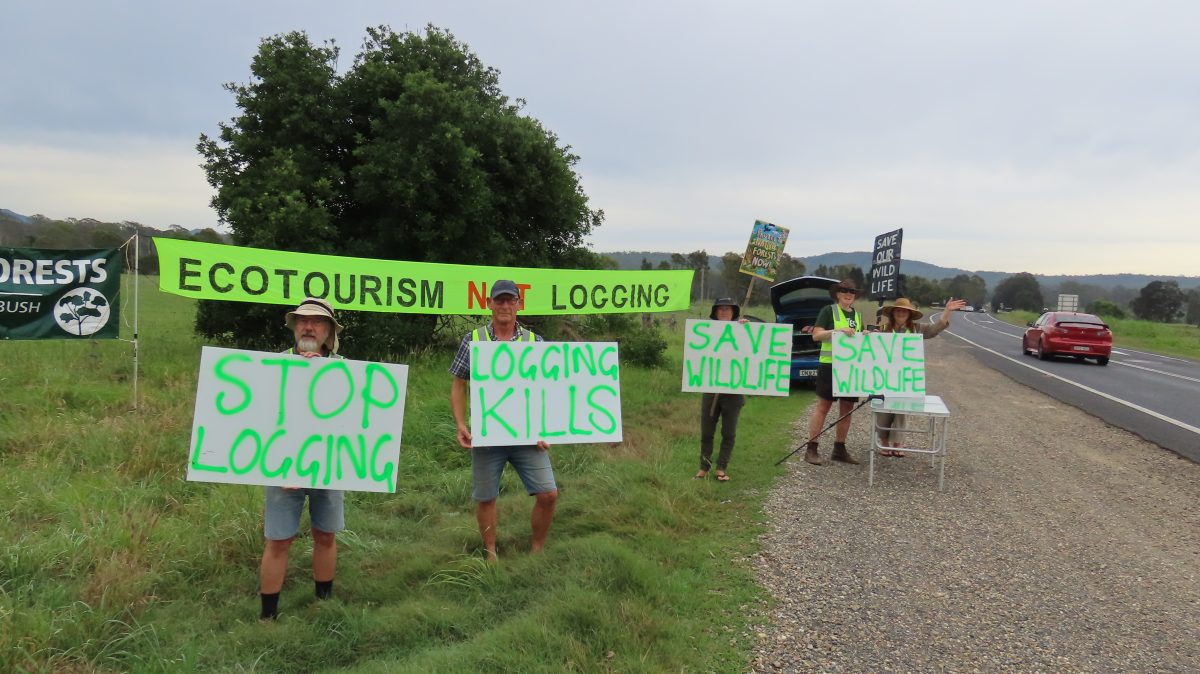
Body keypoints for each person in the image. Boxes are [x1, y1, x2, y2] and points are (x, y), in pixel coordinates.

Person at [449, 280, 558, 562]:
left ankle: (537, 550)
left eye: (511, 301)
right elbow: (459, 383)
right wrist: (461, 424)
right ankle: (490, 553)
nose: (506, 306)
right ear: (489, 303)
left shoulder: (536, 343)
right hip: (488, 436)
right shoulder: (473, 340)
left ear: (520, 304)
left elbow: (548, 389)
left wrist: (549, 429)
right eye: (500, 301)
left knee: (548, 494)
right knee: (486, 497)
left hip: (528, 437)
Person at [260, 297, 346, 620]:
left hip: (330, 468)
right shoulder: (274, 366)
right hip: (283, 469)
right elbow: (259, 417)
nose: (308, 326)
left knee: (325, 534)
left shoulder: (345, 369)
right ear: (294, 326)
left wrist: (323, 375)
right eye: (302, 320)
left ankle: (323, 604)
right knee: (278, 540)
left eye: (317, 321)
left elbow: (354, 422)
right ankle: (267, 617)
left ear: (329, 331)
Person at [874, 296, 966, 457]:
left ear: (909, 314)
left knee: (901, 411)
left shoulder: (917, 328)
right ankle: (884, 443)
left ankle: (898, 443)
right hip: (885, 376)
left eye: (904, 311)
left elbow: (935, 328)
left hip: (907, 378)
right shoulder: (882, 329)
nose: (901, 313)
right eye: (898, 310)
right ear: (893, 313)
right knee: (883, 411)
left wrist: (947, 311)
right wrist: (869, 335)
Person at [803, 278, 865, 465]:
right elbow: (816, 335)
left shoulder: (858, 316)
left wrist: (866, 336)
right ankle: (811, 448)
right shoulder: (828, 311)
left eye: (852, 292)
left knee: (847, 409)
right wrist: (837, 330)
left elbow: (857, 340)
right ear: (837, 293)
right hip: (829, 365)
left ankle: (839, 449)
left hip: (850, 367)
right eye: (844, 291)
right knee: (823, 406)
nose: (848, 294)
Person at [695, 298, 747, 482]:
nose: (724, 311)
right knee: (707, 431)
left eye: (728, 309)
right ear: (715, 312)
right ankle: (704, 466)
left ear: (734, 312)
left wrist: (746, 330)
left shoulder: (742, 329)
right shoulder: (706, 332)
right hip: (711, 388)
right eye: (721, 309)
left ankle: (721, 467)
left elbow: (753, 350)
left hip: (734, 390)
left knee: (729, 432)